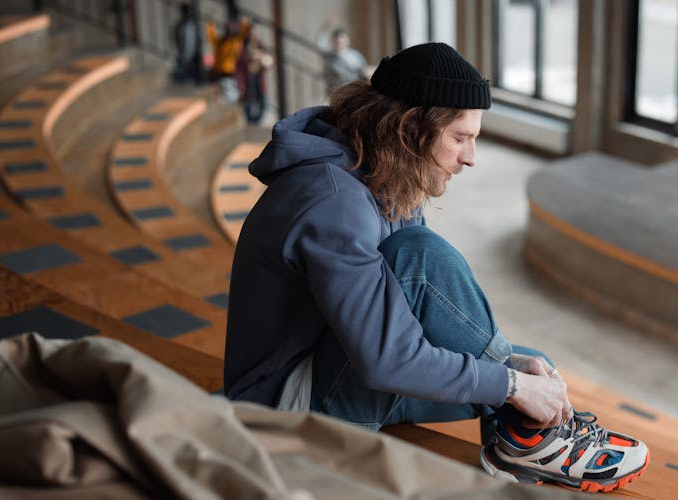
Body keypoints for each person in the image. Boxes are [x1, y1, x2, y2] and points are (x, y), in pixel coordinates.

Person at [225, 42, 650, 492]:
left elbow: (412, 327)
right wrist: (507, 384)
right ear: (410, 129)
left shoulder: (382, 176)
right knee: (420, 258)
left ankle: (525, 442)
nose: (470, 158)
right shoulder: (333, 202)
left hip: (334, 369)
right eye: (460, 138)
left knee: (530, 367)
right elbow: (386, 361)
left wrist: (511, 371)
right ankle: (530, 442)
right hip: (283, 414)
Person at [236, 22, 273, 124]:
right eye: (251, 33)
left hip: (258, 77)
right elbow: (240, 64)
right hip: (248, 78)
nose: (253, 35)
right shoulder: (242, 46)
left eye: (254, 33)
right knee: (248, 103)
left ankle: (255, 122)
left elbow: (269, 60)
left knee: (263, 104)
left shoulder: (259, 45)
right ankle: (250, 122)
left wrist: (263, 58)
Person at [316, 23, 369, 94]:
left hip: (352, 89)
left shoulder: (355, 56)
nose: (340, 43)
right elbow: (320, 43)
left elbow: (363, 70)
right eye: (337, 41)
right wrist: (326, 26)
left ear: (347, 40)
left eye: (342, 40)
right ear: (333, 42)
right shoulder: (329, 55)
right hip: (335, 90)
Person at [206, 18, 249, 102]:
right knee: (221, 92)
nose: (229, 31)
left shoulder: (235, 42)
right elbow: (211, 37)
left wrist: (244, 23)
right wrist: (210, 24)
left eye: (231, 30)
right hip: (219, 71)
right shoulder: (220, 42)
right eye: (227, 30)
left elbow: (244, 34)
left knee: (230, 92)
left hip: (230, 72)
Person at [172, 2, 201, 84]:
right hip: (183, 53)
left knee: (193, 74)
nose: (187, 14)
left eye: (189, 11)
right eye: (185, 12)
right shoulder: (179, 25)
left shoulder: (193, 24)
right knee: (183, 74)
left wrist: (197, 50)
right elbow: (176, 39)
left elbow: (198, 39)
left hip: (193, 54)